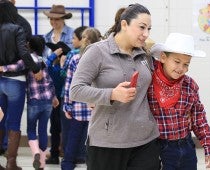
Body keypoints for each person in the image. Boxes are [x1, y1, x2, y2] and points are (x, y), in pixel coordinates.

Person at [70, 3, 160, 170]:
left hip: (146, 140)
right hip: (107, 142)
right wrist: (111, 94)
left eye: (149, 29)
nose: (146, 34)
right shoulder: (97, 51)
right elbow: (75, 90)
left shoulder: (145, 54)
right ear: (124, 24)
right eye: (141, 27)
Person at [148, 33, 210, 170]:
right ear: (163, 57)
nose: (181, 68)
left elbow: (199, 119)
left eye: (186, 64)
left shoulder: (189, 85)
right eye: (177, 62)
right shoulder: (149, 82)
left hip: (186, 147)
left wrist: (209, 146)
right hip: (158, 148)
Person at [1, 35, 59, 170]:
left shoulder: (27, 60)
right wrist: (54, 97)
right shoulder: (44, 61)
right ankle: (42, 164)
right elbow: (49, 81)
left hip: (34, 101)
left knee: (31, 130)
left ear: (28, 46)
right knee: (43, 130)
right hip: (47, 102)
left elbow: (15, 67)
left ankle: (36, 153)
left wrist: (2, 68)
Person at [0, 0, 43, 169]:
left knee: (0, 120)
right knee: (14, 123)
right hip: (16, 81)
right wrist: (35, 68)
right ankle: (11, 162)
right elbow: (24, 53)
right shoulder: (17, 29)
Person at [61, 27, 102, 170]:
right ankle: (91, 164)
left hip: (78, 107)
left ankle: (67, 164)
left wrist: (67, 105)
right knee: (92, 141)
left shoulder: (75, 58)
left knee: (73, 138)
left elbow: (69, 84)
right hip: (96, 108)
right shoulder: (102, 57)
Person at [43, 4, 74, 164]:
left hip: (68, 80)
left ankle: (68, 153)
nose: (53, 22)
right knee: (54, 120)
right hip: (52, 82)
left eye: (56, 19)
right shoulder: (45, 37)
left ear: (62, 19)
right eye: (51, 19)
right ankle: (54, 153)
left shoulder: (72, 34)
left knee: (68, 120)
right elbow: (42, 62)